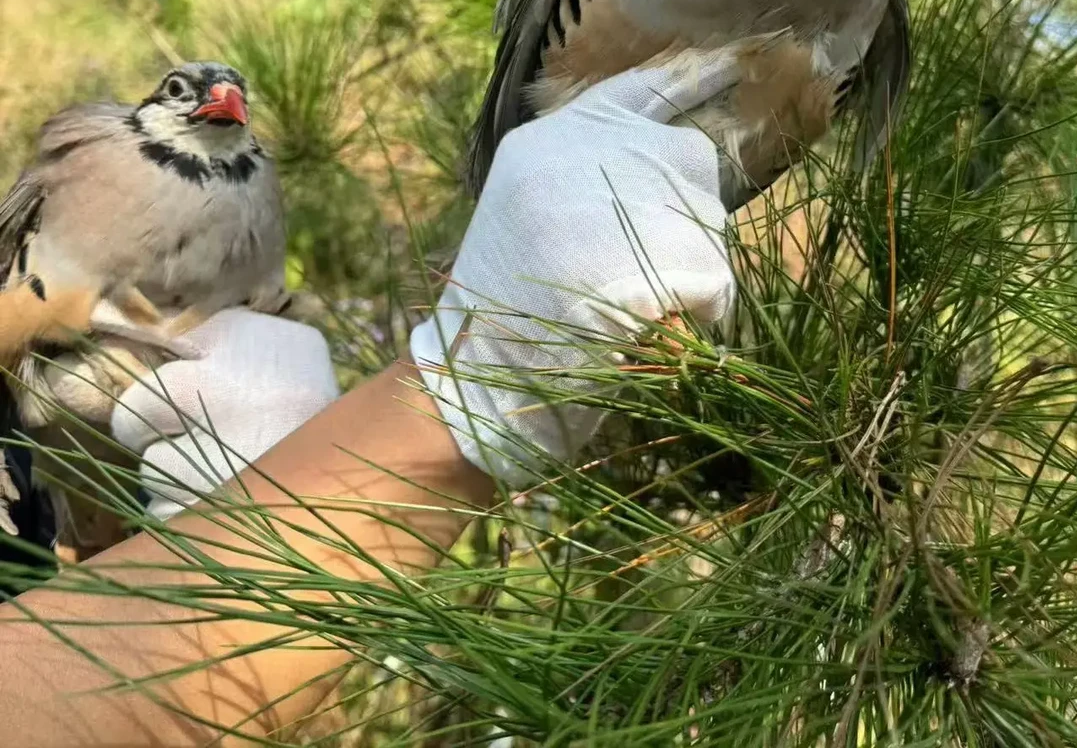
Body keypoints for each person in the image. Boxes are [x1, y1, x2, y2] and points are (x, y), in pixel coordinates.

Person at [0, 51, 737, 747]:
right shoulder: (85, 161)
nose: (218, 105)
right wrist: (455, 401)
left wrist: (241, 531)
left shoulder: (251, 182)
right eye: (182, 93)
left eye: (231, 100)